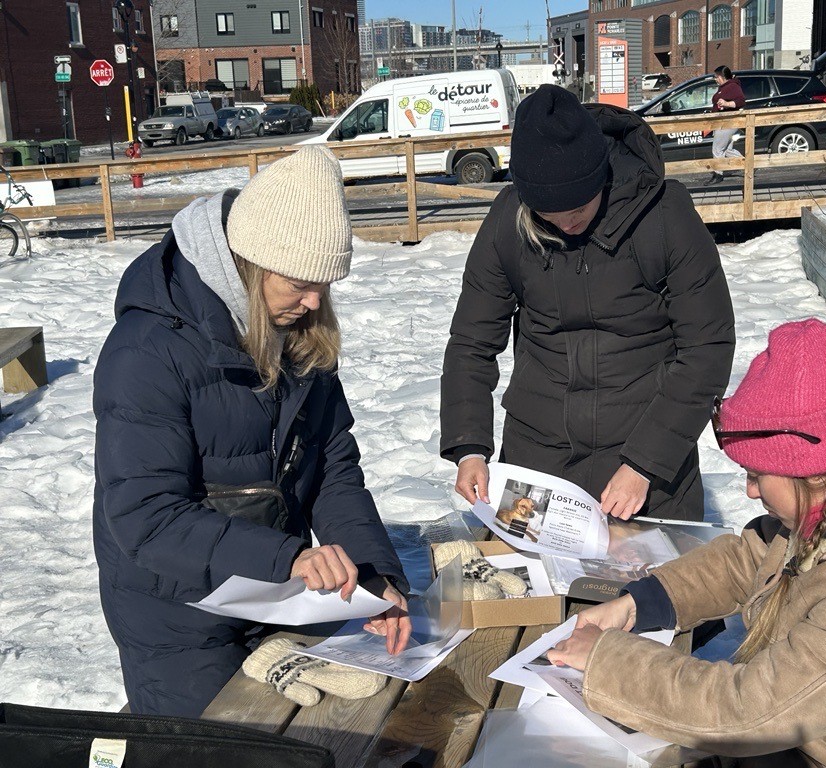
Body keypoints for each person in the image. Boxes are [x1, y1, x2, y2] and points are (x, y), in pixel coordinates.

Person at [548, 318, 826, 767]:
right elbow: (754, 556)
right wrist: (643, 602)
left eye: (757, 475)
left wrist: (609, 664)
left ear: (818, 469)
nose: (748, 491)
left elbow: (746, 713)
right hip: (809, 731)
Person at [93, 146, 411, 717]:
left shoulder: (301, 332)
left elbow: (333, 467)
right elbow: (144, 515)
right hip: (176, 614)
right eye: (299, 283)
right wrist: (286, 559)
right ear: (252, 265)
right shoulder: (148, 350)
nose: (315, 302)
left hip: (275, 597)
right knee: (219, 751)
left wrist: (370, 573)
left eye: (325, 285)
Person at [440, 84, 735, 523]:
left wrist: (645, 463)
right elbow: (471, 343)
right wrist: (469, 446)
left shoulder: (663, 216)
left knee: (645, 590)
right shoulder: (507, 222)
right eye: (548, 213)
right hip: (537, 457)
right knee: (534, 587)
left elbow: (706, 347)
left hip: (645, 461)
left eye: (578, 205)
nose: (567, 221)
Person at [708, 65, 746, 185]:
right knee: (727, 149)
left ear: (722, 76)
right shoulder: (724, 87)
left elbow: (741, 101)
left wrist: (727, 104)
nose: (715, 79)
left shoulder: (733, 86)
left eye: (716, 77)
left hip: (727, 123)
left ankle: (718, 174)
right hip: (723, 122)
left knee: (717, 149)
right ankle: (748, 164)